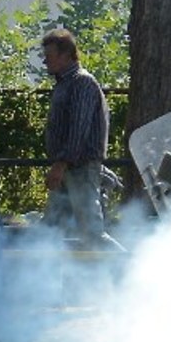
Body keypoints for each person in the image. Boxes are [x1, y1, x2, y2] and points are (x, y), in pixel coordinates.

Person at [41, 29, 121, 251]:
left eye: (50, 54)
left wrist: (60, 164)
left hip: (80, 167)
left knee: (93, 233)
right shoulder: (68, 83)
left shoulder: (81, 83)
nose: (45, 60)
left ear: (66, 55)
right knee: (50, 228)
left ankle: (126, 267)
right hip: (71, 168)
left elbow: (78, 129)